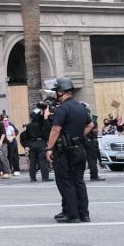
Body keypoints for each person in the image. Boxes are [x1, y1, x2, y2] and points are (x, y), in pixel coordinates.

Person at [46, 79, 92, 223]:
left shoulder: (62, 109)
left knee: (66, 182)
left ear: (61, 92)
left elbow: (56, 129)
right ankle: (84, 214)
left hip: (65, 152)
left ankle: (73, 215)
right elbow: (90, 125)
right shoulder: (81, 107)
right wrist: (77, 136)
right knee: (79, 181)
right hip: (80, 149)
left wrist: (49, 148)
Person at [24, 106, 52, 182]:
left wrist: (27, 145)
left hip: (32, 144)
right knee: (42, 161)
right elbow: (46, 132)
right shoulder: (41, 124)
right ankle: (45, 177)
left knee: (32, 161)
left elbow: (26, 136)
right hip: (40, 143)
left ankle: (32, 177)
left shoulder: (29, 125)